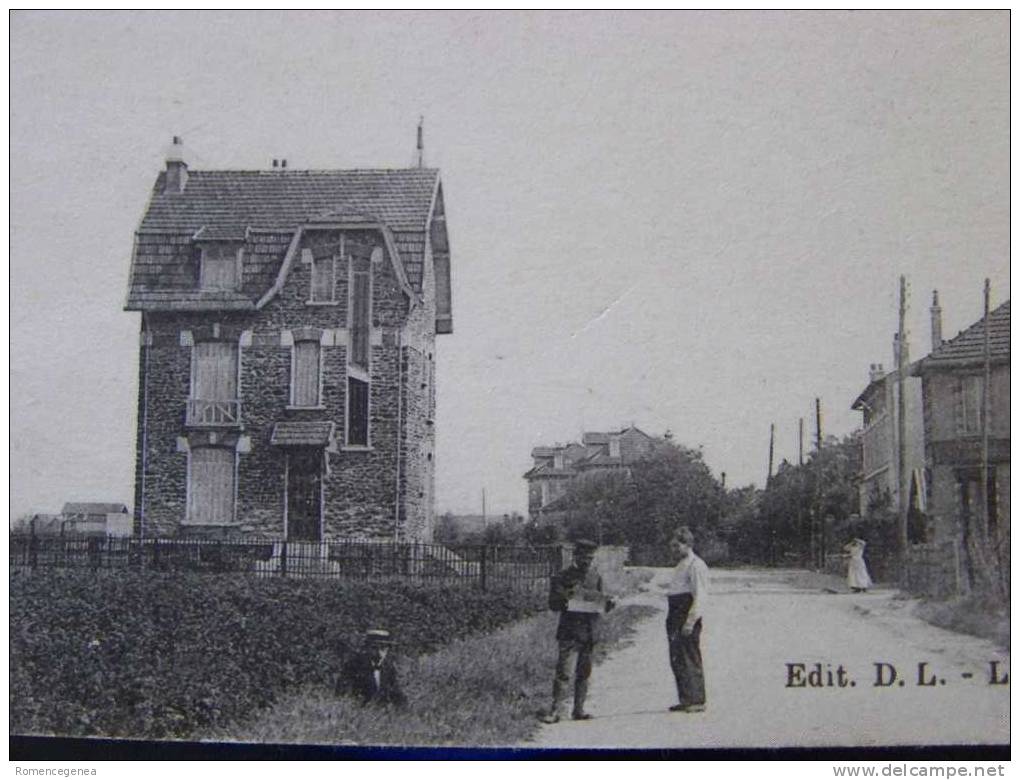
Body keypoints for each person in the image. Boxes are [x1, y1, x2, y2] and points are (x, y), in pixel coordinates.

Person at [540, 538, 615, 724]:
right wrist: (568, 600)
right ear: (575, 556)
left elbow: (601, 604)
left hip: (589, 633)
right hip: (569, 632)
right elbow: (553, 605)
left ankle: (579, 710)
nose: (586, 562)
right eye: (583, 558)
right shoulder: (562, 577)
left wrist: (609, 604)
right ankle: (555, 710)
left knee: (584, 673)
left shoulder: (595, 577)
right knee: (564, 672)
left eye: (590, 559)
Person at [663, 526, 709, 713]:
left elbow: (700, 596)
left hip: (686, 613)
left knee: (690, 656)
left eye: (677, 546)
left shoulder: (696, 565)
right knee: (677, 657)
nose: (673, 550)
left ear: (688, 544)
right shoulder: (680, 565)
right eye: (672, 547)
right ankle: (685, 698)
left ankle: (697, 700)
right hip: (674, 614)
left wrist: (690, 621)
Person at [336, 628, 407, 707]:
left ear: (387, 650)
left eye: (383, 648)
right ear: (367, 648)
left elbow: (397, 695)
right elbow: (343, 694)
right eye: (374, 648)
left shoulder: (388, 669)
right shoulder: (353, 667)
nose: (379, 652)